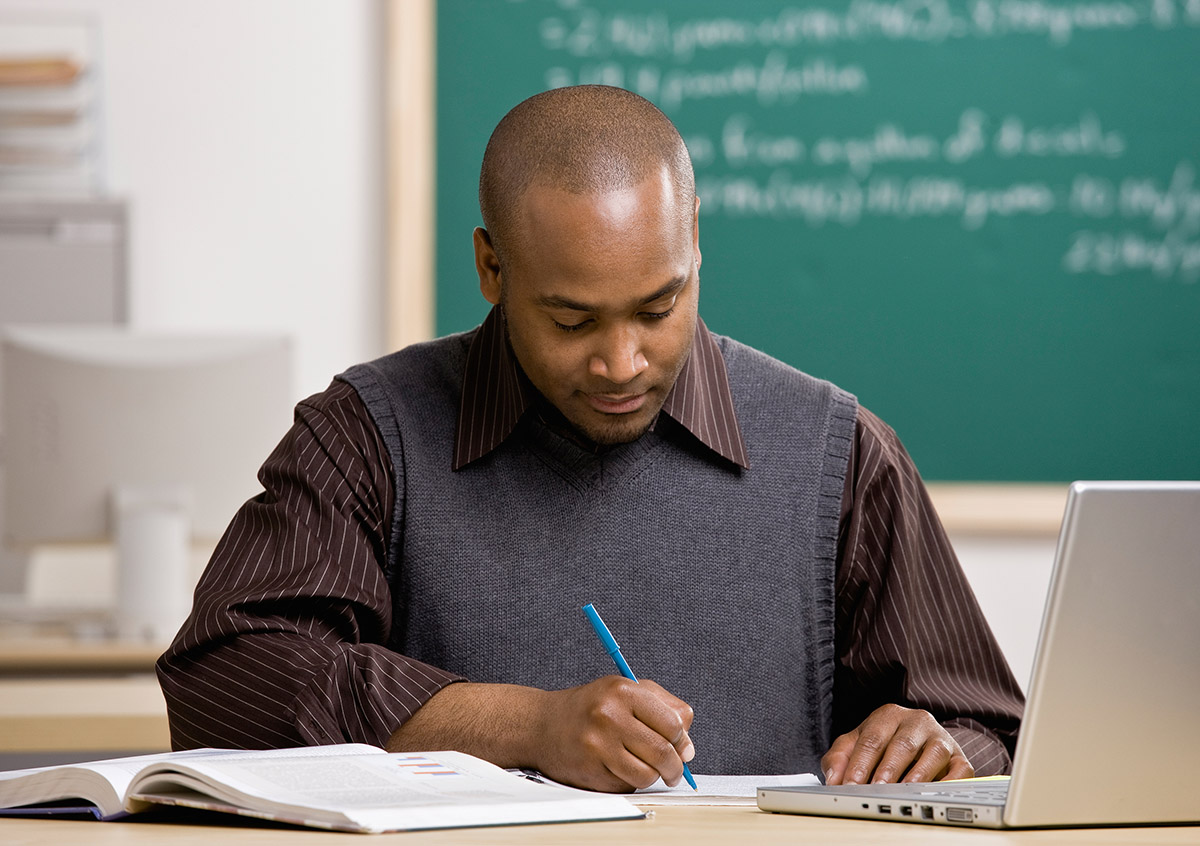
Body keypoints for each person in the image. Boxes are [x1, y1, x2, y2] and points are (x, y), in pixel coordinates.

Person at [157, 85, 1023, 793]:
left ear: (695, 249)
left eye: (659, 308)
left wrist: (939, 748)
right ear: (491, 267)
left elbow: (995, 729)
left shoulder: (841, 454)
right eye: (572, 320)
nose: (622, 363)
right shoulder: (366, 435)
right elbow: (224, 681)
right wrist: (527, 727)